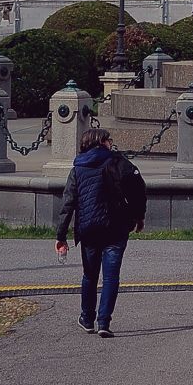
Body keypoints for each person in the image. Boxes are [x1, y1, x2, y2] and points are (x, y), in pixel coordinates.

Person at [55, 125, 147, 337]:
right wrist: (138, 217)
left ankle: (87, 319)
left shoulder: (77, 169)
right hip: (116, 228)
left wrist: (61, 236)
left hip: (88, 229)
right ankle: (104, 322)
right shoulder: (119, 162)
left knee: (89, 275)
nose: (111, 142)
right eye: (108, 140)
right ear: (101, 142)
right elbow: (138, 189)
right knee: (111, 277)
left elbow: (68, 204)